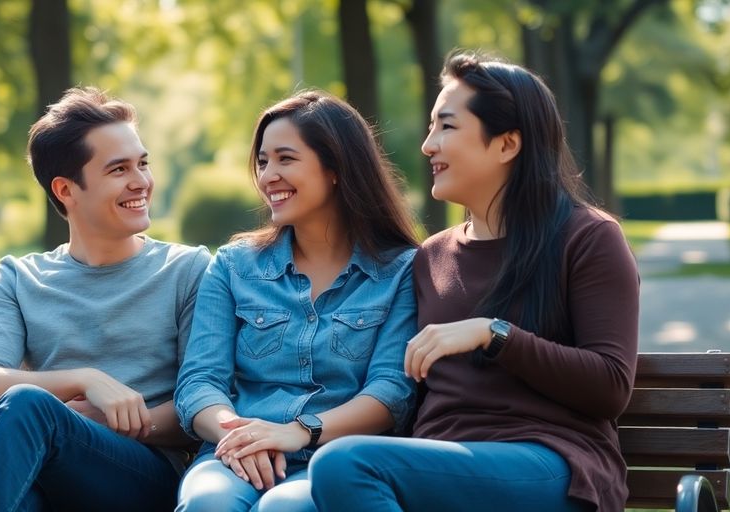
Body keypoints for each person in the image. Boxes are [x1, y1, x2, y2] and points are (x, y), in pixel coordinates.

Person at [309, 51, 640, 511]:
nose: (428, 145)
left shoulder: (588, 238)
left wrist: (492, 333)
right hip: (436, 467)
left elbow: (610, 386)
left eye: (446, 126)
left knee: (343, 464)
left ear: (506, 144)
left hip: (551, 463)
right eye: (430, 127)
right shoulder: (431, 257)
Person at [0, 87, 211, 511]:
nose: (140, 181)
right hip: (47, 473)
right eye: (119, 169)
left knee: (30, 406)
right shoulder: (19, 277)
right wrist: (86, 380)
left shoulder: (186, 269)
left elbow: (201, 403)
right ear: (66, 190)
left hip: (144, 477)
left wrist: (108, 420)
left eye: (142, 163)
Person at [173, 91, 420, 512]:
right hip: (233, 454)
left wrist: (300, 431)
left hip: (334, 459)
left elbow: (390, 393)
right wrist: (246, 436)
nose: (269, 175)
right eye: (263, 161)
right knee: (207, 505)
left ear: (336, 168)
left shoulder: (402, 271)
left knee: (284, 509)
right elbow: (199, 381)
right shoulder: (233, 266)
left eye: (286, 159)